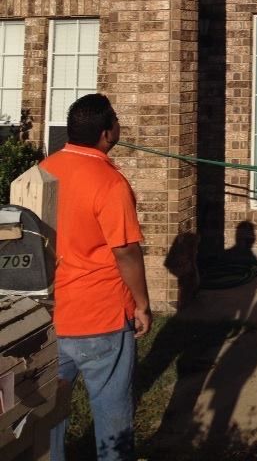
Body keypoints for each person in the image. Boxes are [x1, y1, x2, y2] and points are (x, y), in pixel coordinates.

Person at [41, 93, 152, 461]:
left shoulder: (43, 171)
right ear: (107, 134)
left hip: (49, 316)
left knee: (45, 415)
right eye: (117, 120)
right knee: (112, 416)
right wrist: (142, 304)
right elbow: (125, 251)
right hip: (101, 317)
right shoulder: (110, 183)